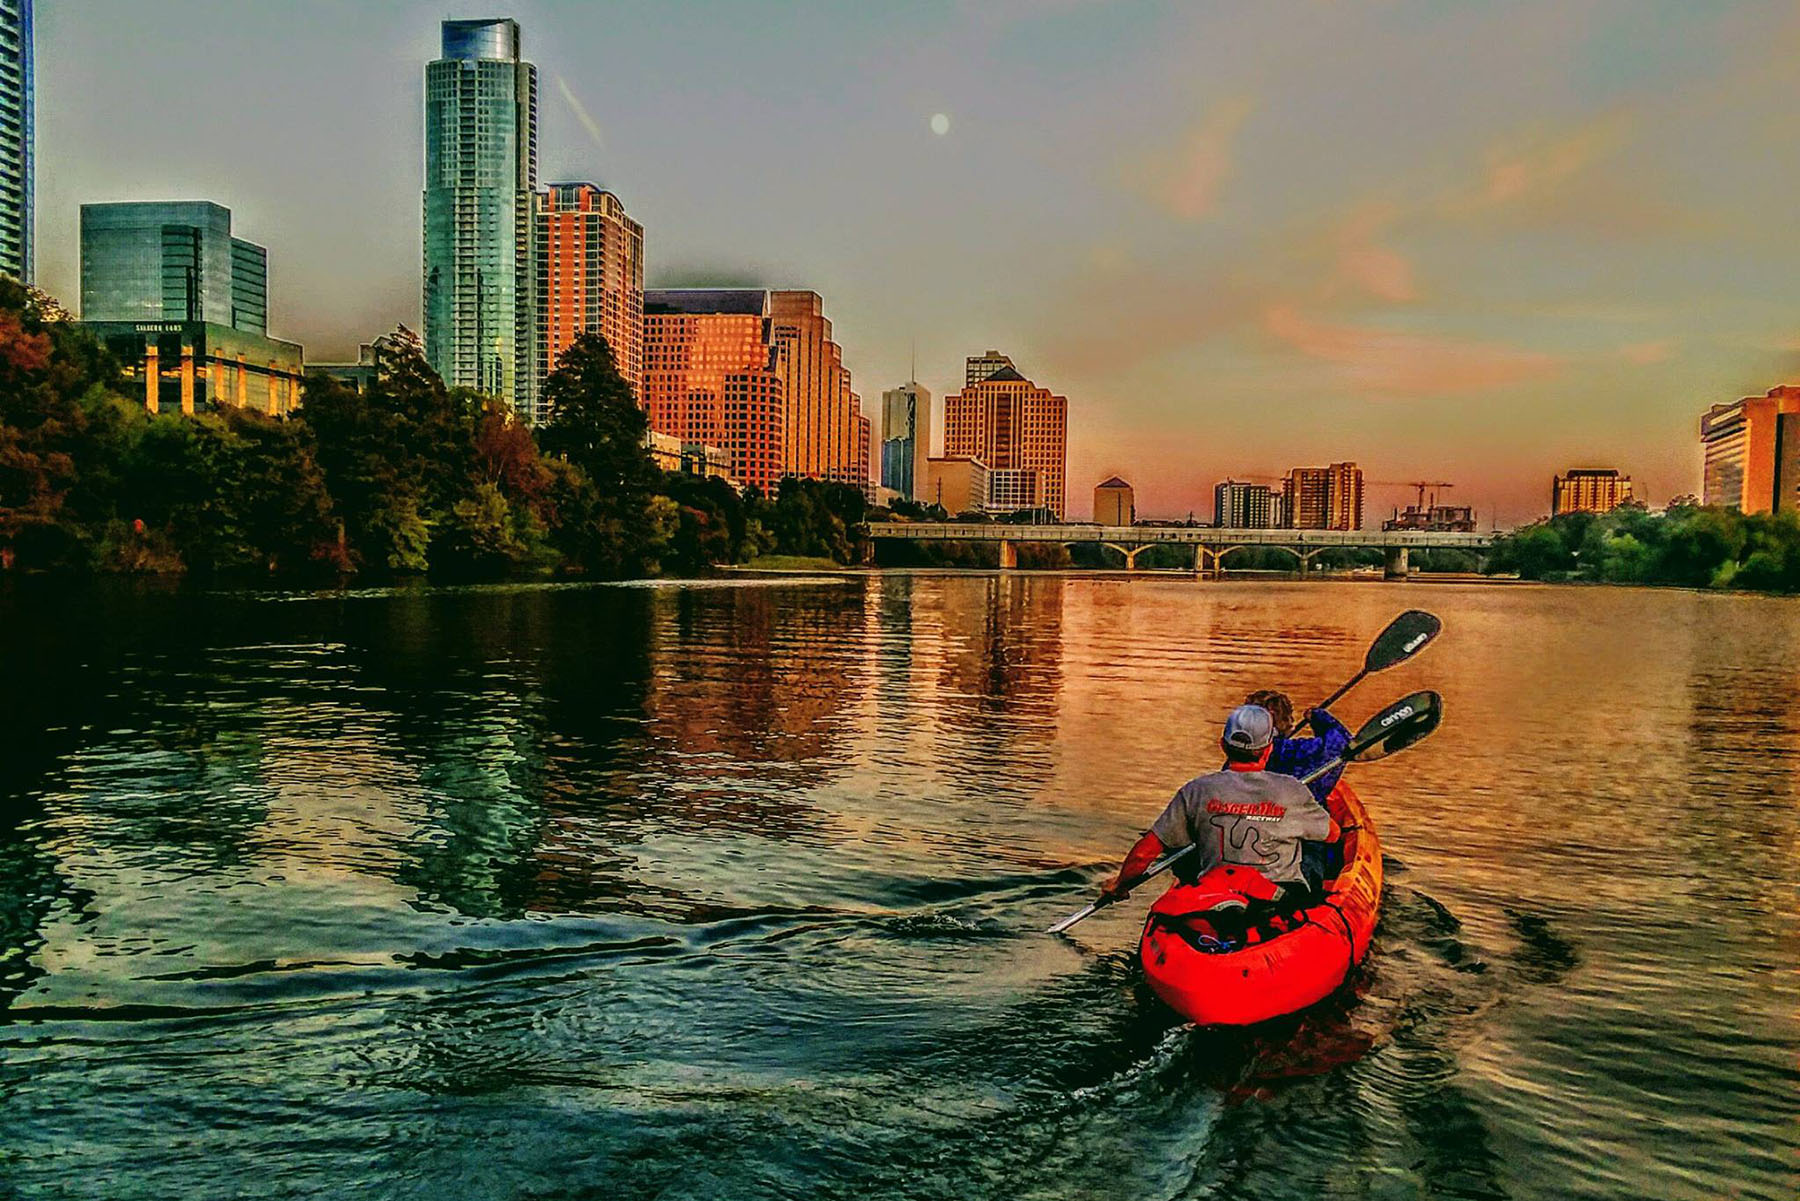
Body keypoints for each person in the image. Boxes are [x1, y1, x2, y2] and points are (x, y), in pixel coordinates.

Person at [1100, 704, 1339, 904]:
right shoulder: (1293, 789)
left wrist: (1120, 885)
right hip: (1276, 899)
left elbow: (1145, 853)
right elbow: (1332, 834)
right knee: (1313, 847)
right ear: (1268, 750)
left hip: (1217, 893)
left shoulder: (1197, 789)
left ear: (1223, 746)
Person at [1247, 689, 1352, 804]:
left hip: (1249, 812)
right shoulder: (1285, 751)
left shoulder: (1239, 752)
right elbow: (1342, 742)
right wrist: (1319, 718)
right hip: (1286, 815)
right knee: (1340, 792)